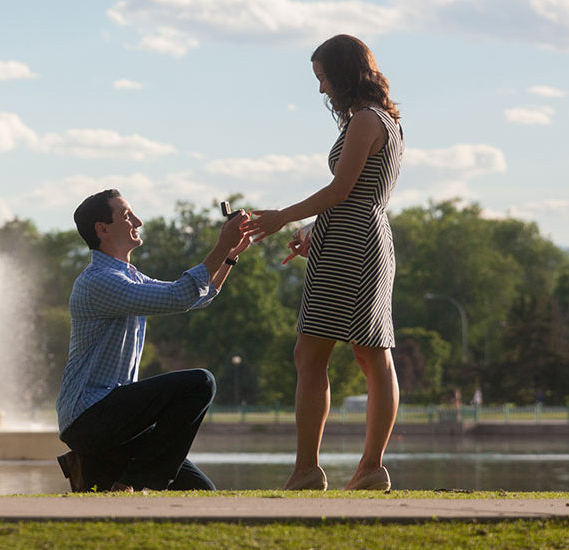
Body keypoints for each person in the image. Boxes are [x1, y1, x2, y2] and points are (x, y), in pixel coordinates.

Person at [243, 34, 404, 491]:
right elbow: (358, 196)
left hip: (353, 245)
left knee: (316, 353)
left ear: (344, 74)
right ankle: (367, 468)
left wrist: (279, 217)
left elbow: (341, 191)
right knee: (370, 355)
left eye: (323, 78)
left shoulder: (365, 122)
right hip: (356, 239)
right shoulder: (381, 121)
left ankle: (310, 470)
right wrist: (315, 233)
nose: (321, 90)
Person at [55, 189, 251, 492]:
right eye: (126, 215)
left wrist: (229, 255)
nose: (138, 221)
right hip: (91, 418)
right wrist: (221, 244)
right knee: (200, 383)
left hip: (115, 421)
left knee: (201, 492)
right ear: (102, 229)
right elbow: (178, 296)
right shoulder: (99, 281)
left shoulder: (128, 276)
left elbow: (196, 298)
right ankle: (134, 482)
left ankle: (99, 469)